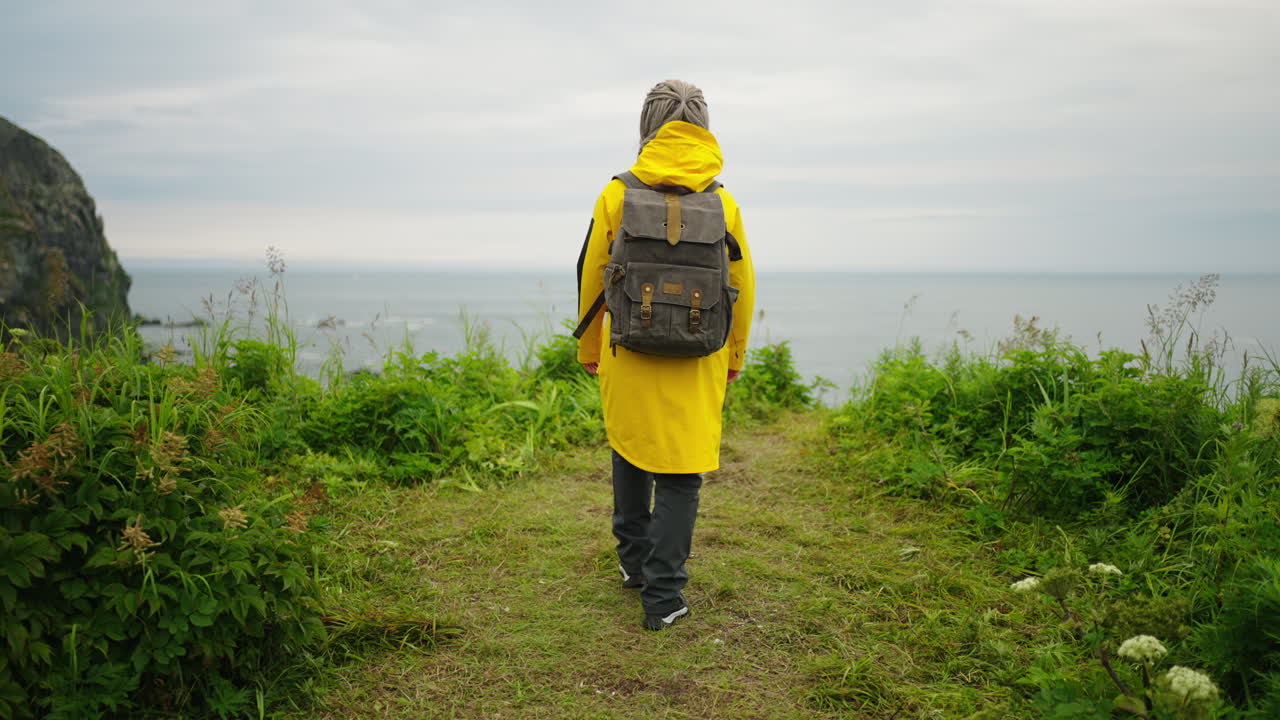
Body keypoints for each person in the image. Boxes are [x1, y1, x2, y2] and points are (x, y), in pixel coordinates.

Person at [574, 79, 755, 631]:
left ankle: (634, 566)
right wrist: (734, 357)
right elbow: (743, 285)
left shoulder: (615, 193)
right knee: (681, 472)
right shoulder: (722, 201)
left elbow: (591, 277)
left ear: (647, 124)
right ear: (703, 123)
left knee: (631, 448)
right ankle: (664, 596)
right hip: (699, 353)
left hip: (628, 345)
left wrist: (590, 346)